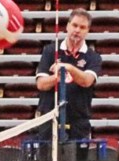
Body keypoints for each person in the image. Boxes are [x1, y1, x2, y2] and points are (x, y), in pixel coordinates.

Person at [35, 8, 101, 140]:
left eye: (82, 27)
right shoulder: (50, 51)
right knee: (46, 160)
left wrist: (68, 68)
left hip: (78, 121)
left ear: (87, 31)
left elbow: (86, 81)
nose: (77, 30)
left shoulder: (93, 57)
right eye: (75, 25)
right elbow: (41, 84)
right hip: (49, 118)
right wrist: (57, 78)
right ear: (67, 26)